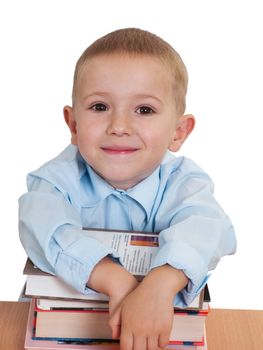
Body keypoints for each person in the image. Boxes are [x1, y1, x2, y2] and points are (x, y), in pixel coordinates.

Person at [19, 28, 236, 350]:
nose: (119, 126)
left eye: (144, 110)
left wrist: (159, 285)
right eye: (99, 107)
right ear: (74, 125)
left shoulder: (185, 182)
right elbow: (45, 226)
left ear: (178, 132)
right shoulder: (53, 181)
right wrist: (116, 279)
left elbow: (207, 228)